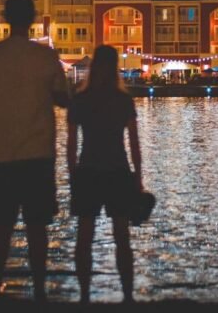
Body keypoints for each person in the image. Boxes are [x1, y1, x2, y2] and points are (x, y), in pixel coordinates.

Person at [0, 0, 70, 301]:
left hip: (2, 153)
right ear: (33, 19)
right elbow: (63, 97)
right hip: (38, 153)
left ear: (4, 18)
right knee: (38, 225)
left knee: (1, 224)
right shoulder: (46, 57)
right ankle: (39, 290)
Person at [67, 45, 143, 304]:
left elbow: (70, 144)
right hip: (118, 170)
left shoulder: (80, 98)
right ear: (115, 68)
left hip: (87, 170)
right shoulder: (123, 100)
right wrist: (138, 177)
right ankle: (128, 296)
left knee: (84, 237)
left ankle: (85, 295)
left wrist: (72, 174)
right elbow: (134, 142)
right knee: (122, 237)